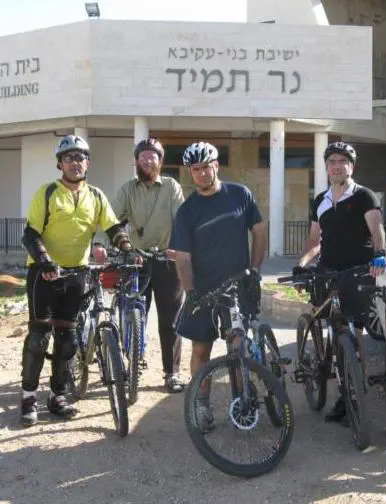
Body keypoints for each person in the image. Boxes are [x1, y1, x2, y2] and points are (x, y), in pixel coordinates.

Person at [21, 135, 136, 426]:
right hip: (44, 274)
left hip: (76, 274)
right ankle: (28, 396)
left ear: (88, 163)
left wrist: (126, 247)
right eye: (69, 158)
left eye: (80, 157)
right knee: (38, 339)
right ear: (60, 164)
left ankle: (57, 396)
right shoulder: (47, 192)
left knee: (68, 340)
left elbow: (112, 227)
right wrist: (45, 260)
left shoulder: (95, 196)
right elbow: (30, 234)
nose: (75, 162)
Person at [172, 141, 266, 431]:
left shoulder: (240, 195)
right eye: (195, 169)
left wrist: (255, 269)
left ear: (216, 165)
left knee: (237, 348)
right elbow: (182, 258)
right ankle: (202, 406)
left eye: (206, 167)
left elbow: (259, 230)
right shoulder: (187, 211)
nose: (201, 173)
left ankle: (242, 400)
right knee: (201, 350)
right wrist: (191, 292)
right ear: (191, 172)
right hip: (204, 291)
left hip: (238, 287)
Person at [294, 141, 386, 423]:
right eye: (332, 162)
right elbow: (315, 240)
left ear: (351, 167)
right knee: (334, 330)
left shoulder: (364, 196)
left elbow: (377, 229)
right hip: (328, 272)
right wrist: (301, 264)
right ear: (326, 167)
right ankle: (340, 391)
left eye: (342, 162)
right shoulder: (320, 200)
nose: (336, 167)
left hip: (357, 273)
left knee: (353, 335)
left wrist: (380, 254)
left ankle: (354, 397)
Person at [112, 137, 186, 392]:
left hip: (166, 260)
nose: (147, 160)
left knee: (170, 320)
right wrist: (107, 243)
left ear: (160, 161)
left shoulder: (171, 186)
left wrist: (180, 248)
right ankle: (132, 364)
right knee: (131, 316)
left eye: (152, 156)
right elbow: (112, 219)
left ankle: (171, 373)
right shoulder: (127, 189)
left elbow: (181, 218)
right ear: (136, 162)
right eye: (142, 156)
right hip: (136, 260)